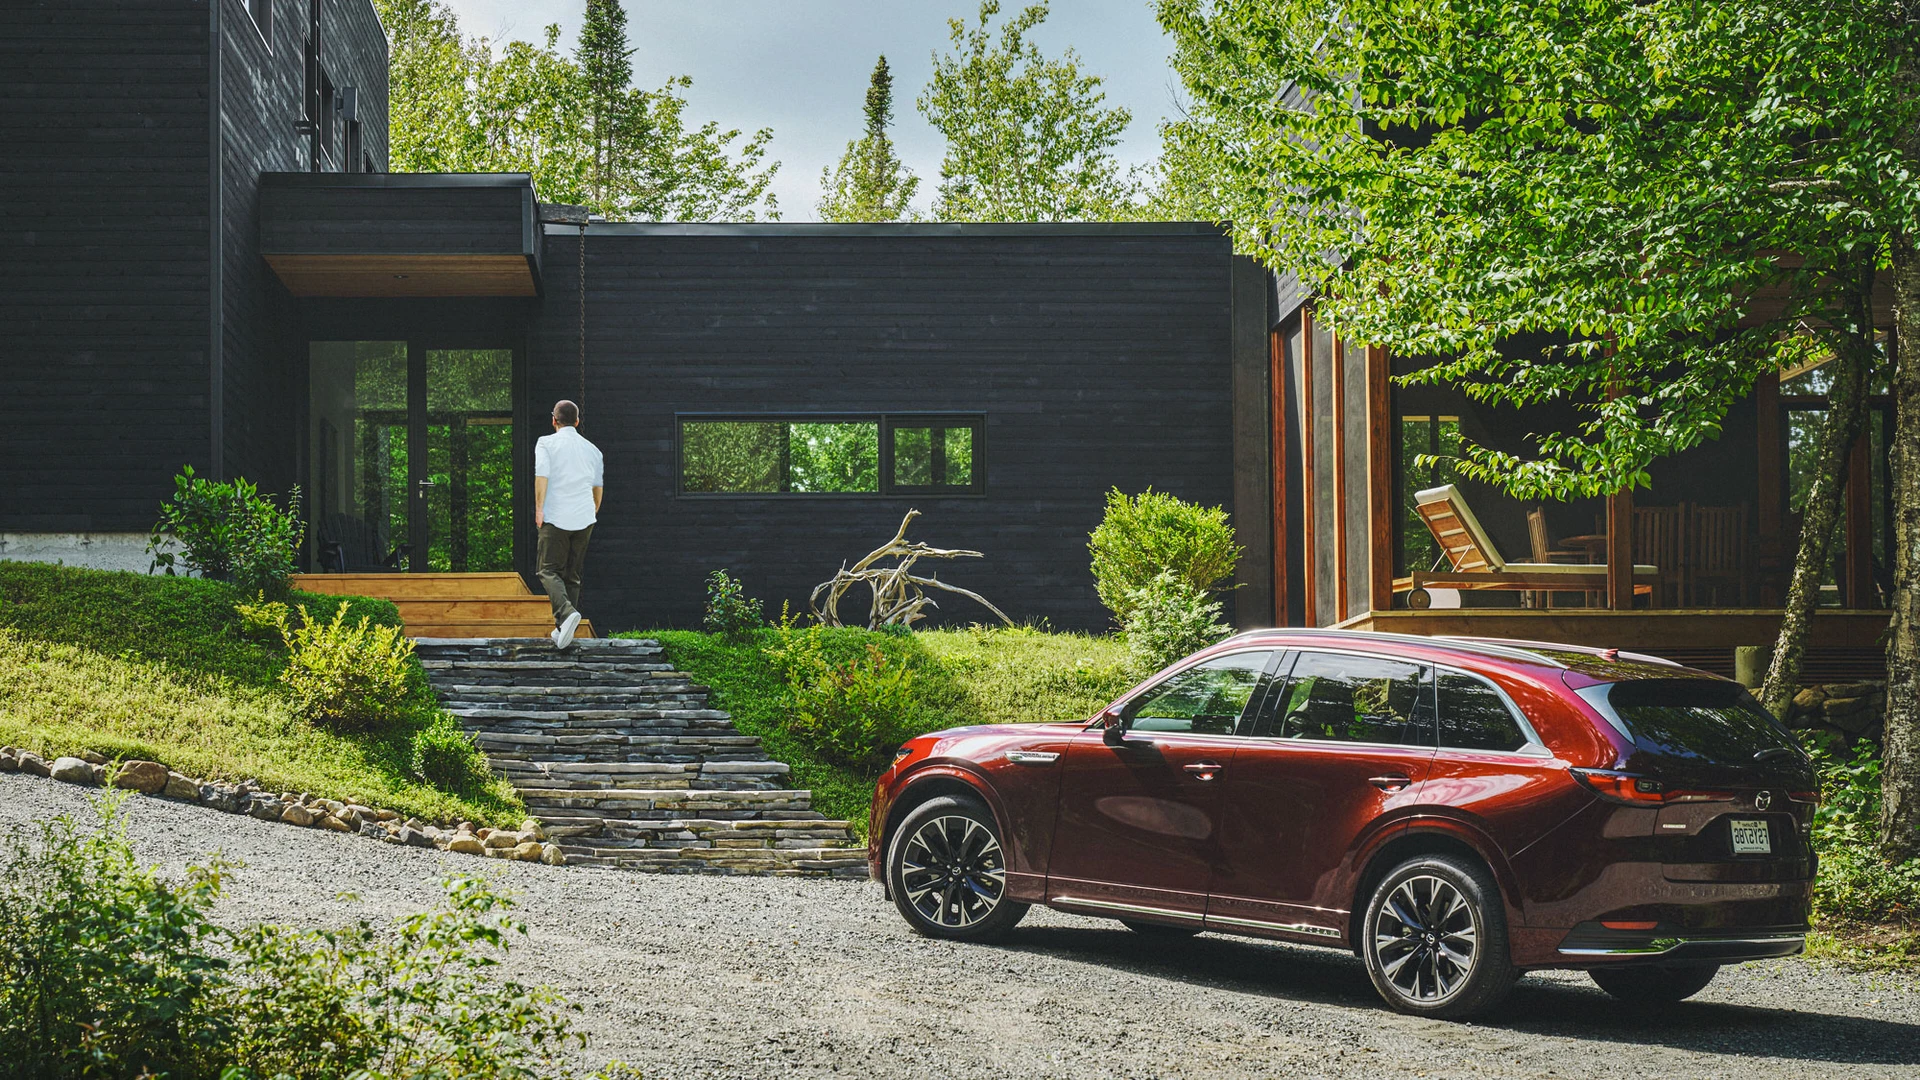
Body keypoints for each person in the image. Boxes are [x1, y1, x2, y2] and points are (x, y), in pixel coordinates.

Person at [534, 399, 603, 649]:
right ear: (577, 421)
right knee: (572, 575)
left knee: (547, 570)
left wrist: (539, 508)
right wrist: (592, 511)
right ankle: (564, 629)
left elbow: (542, 477)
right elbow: (597, 489)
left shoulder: (546, 443)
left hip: (556, 516)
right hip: (585, 517)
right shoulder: (593, 450)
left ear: (554, 420)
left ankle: (566, 612)